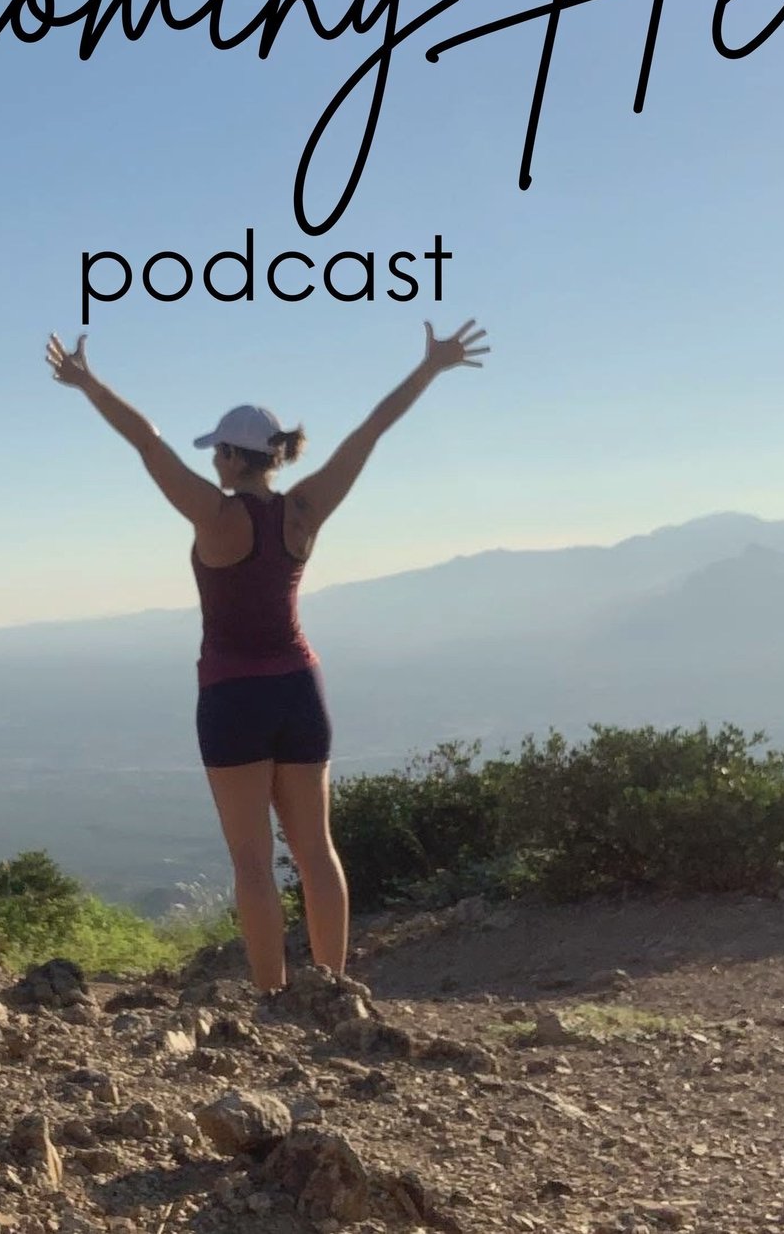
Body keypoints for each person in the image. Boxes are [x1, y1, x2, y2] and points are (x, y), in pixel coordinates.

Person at [44, 318, 490, 992]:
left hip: (232, 697)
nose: (213, 464)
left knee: (252, 864)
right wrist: (430, 368)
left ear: (231, 456)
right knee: (317, 852)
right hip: (300, 690)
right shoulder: (304, 511)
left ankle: (272, 998)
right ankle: (332, 990)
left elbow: (147, 441)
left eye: (217, 454)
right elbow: (370, 430)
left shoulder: (214, 516)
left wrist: (87, 383)